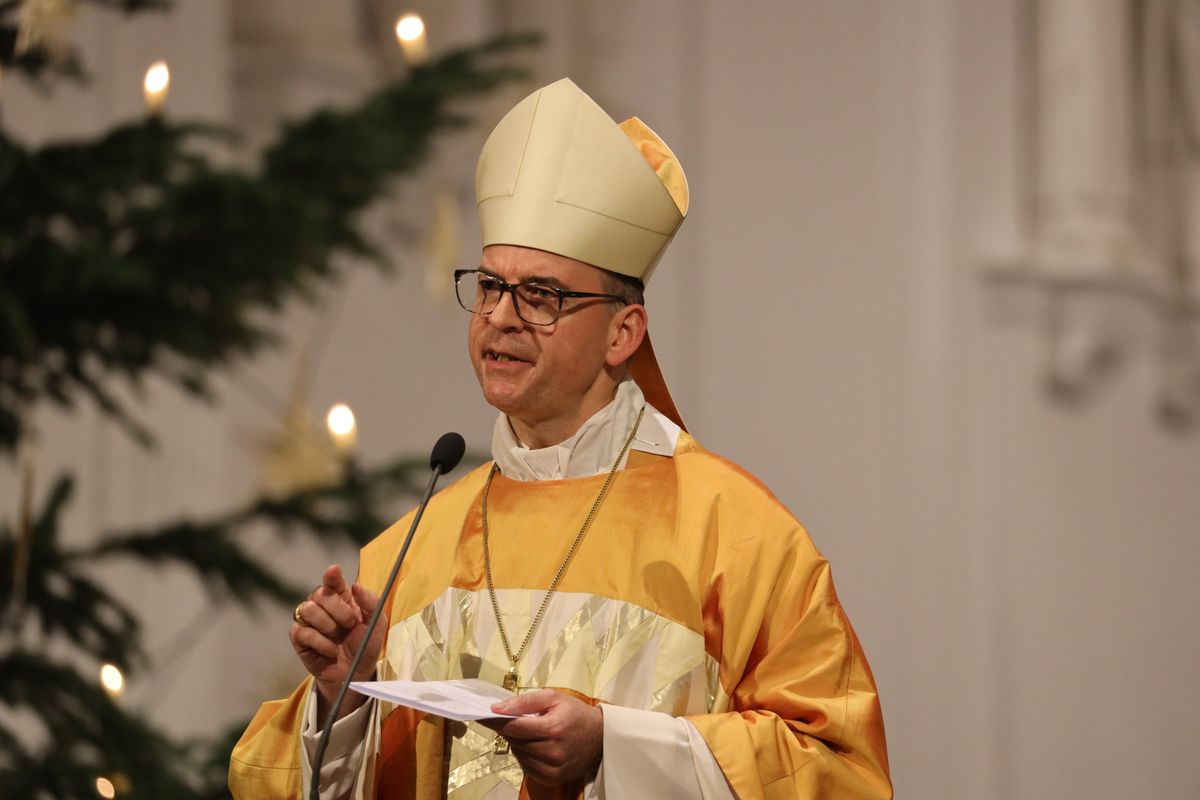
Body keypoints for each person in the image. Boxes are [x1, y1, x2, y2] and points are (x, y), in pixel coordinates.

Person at [229, 78, 891, 800]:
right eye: (488, 286)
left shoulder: (734, 535)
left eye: (541, 295)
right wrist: (346, 694)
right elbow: (274, 782)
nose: (501, 317)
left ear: (622, 332)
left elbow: (838, 770)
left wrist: (613, 746)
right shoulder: (411, 553)